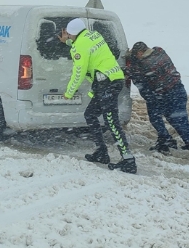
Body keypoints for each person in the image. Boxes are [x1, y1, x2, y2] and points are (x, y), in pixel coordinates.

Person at [58, 18, 136, 174]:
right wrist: (68, 42)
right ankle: (101, 152)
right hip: (112, 80)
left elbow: (78, 72)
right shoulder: (93, 35)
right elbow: (83, 46)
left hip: (106, 83)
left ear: (72, 33)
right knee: (91, 114)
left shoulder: (79, 47)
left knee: (111, 121)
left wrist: (69, 92)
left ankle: (128, 160)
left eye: (68, 32)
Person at [125, 41, 189, 165]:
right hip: (175, 91)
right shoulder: (159, 51)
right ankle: (180, 141)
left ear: (140, 53)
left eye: (136, 55)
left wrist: (129, 64)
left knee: (181, 123)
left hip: (171, 94)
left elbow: (135, 71)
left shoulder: (147, 65)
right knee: (172, 120)